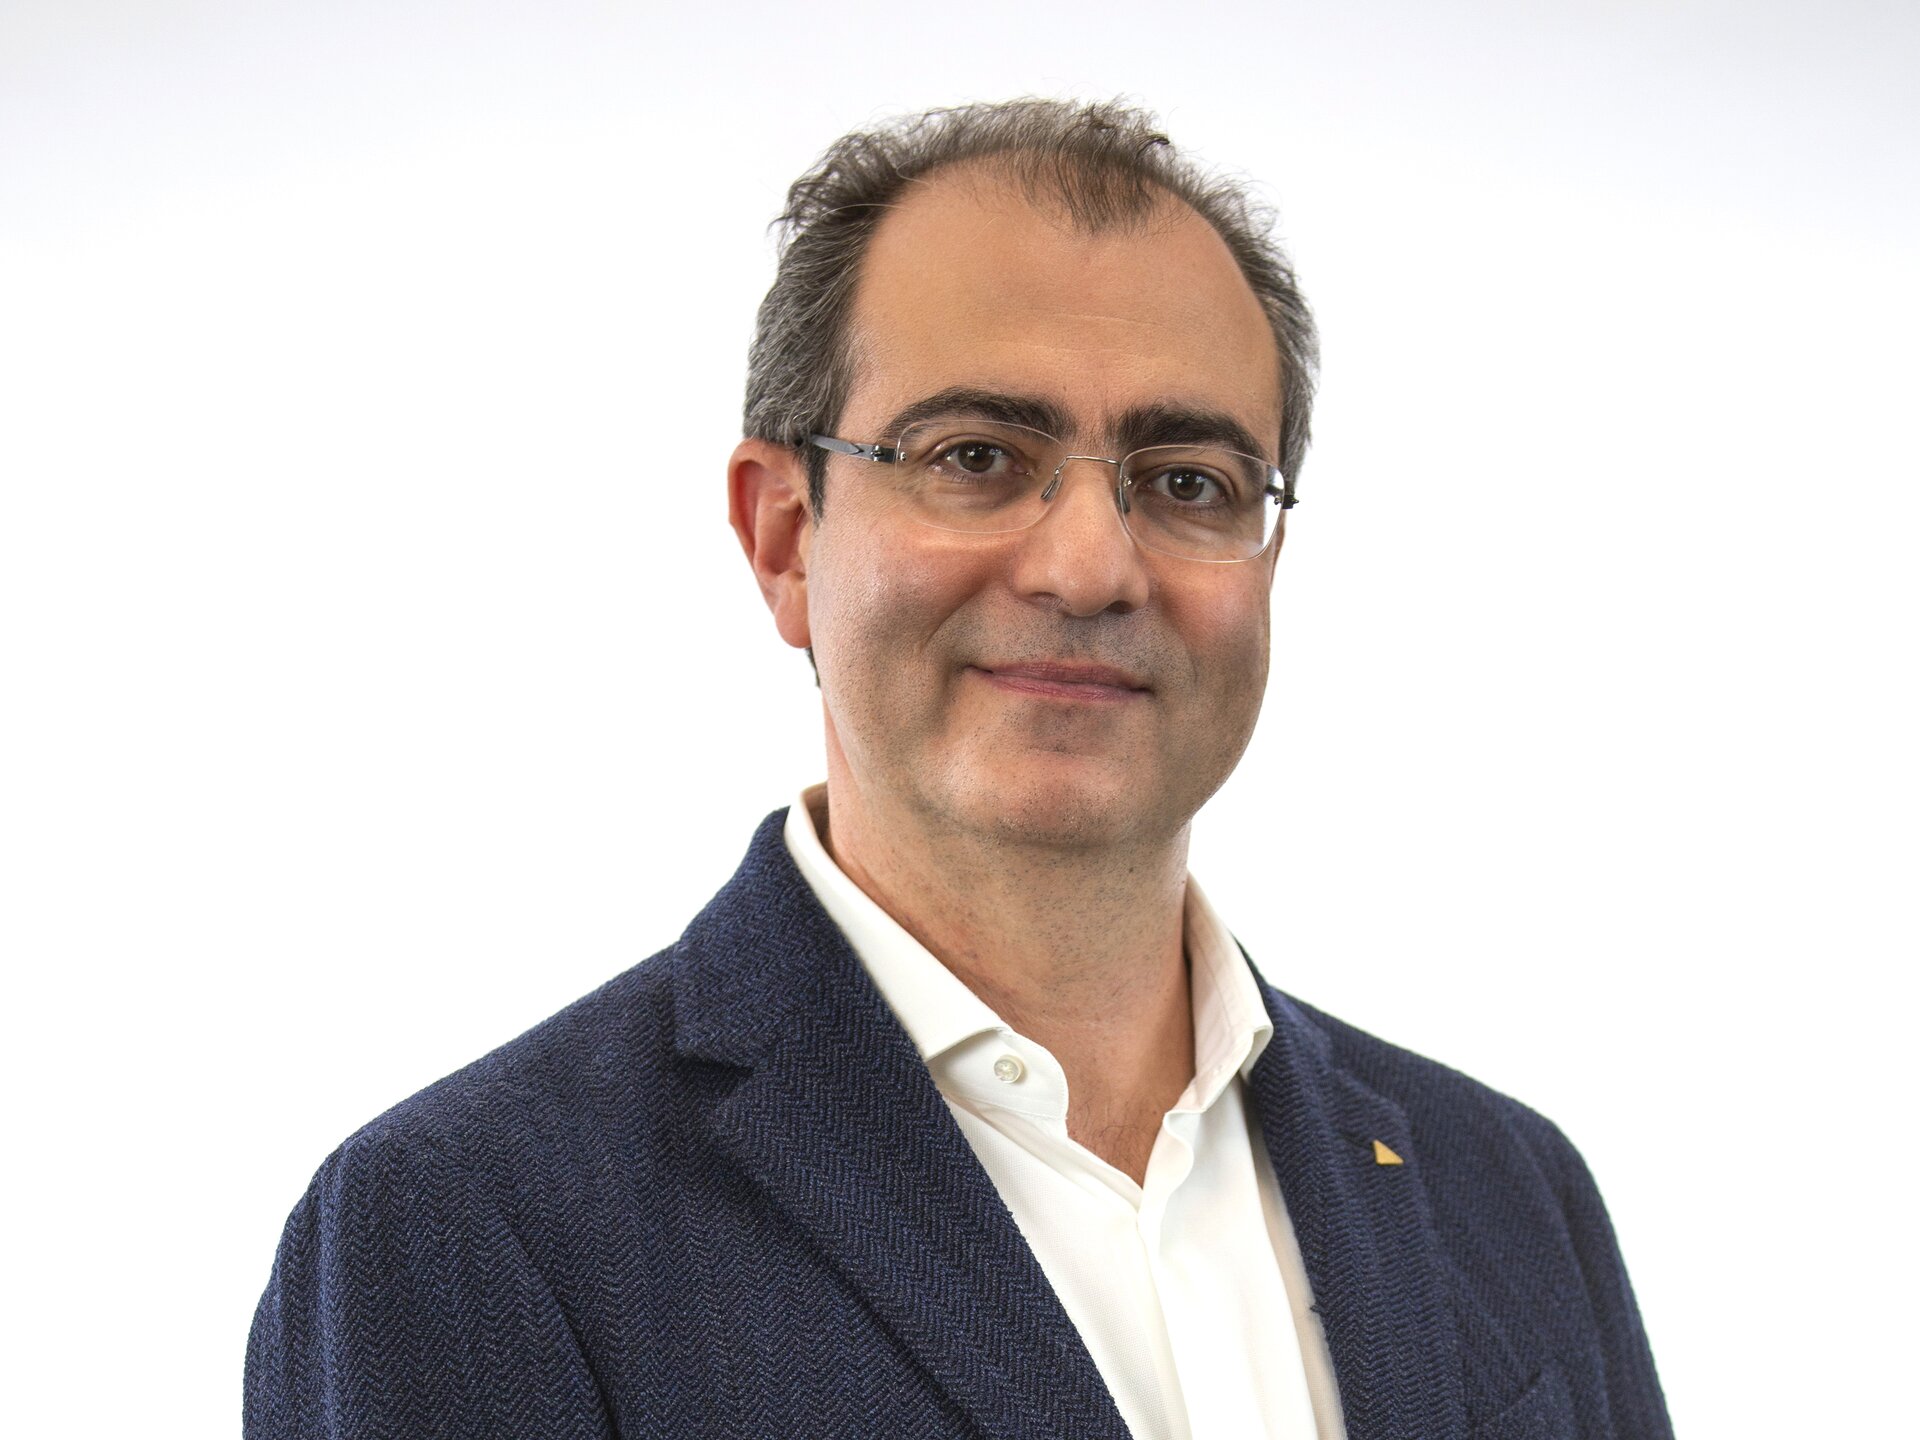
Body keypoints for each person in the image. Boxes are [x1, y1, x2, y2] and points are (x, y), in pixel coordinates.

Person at [245, 99, 1672, 1440]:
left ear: (1268, 556)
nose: (1090, 567)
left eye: (1188, 482)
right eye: (977, 456)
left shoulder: (1511, 1193)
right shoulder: (470, 1228)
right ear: (784, 536)